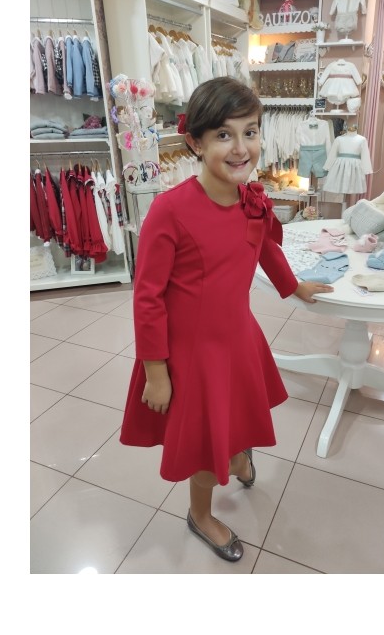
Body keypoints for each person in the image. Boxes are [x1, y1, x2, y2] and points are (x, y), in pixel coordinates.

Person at [119, 77, 335, 562]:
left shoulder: (250, 199)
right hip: (191, 355)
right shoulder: (169, 211)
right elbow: (147, 297)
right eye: (224, 135)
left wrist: (294, 286)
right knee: (203, 441)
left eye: (250, 132)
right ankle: (200, 513)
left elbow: (264, 247)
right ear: (195, 142)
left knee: (234, 417)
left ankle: (236, 457)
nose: (241, 148)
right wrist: (156, 371)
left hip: (237, 338)